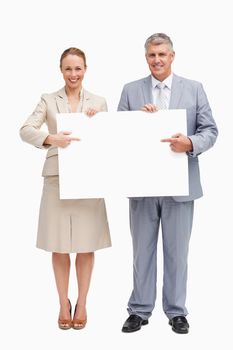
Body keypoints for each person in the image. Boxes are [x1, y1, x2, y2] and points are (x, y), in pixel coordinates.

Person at [118, 33, 218, 334]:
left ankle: (176, 311)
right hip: (143, 185)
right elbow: (117, 135)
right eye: (151, 55)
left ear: (172, 56)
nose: (157, 60)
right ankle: (139, 310)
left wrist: (190, 142)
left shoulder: (194, 89)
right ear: (146, 57)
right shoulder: (131, 90)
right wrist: (138, 121)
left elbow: (210, 130)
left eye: (162, 54)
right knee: (141, 252)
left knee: (177, 252)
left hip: (180, 185)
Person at [20, 47, 111, 330]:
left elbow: (109, 140)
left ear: (86, 69)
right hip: (57, 177)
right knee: (59, 246)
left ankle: (82, 303)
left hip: (89, 178)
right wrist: (51, 138)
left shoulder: (99, 101)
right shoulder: (48, 99)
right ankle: (63, 303)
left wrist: (99, 122)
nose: (73, 74)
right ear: (61, 70)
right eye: (68, 69)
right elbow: (25, 130)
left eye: (78, 68)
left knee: (86, 245)